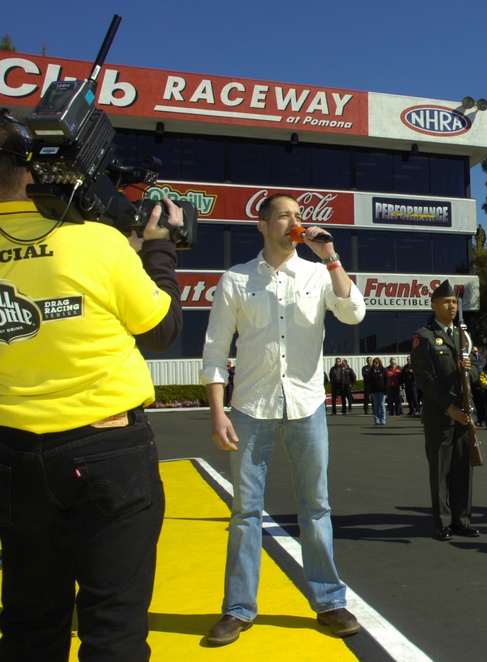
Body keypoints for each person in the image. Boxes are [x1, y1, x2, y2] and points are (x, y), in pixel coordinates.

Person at [0, 116, 184, 659]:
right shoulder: (97, 245)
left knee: (29, 625)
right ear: (35, 166)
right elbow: (163, 329)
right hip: (107, 452)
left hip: (12, 456)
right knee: (114, 629)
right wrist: (158, 249)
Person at [200, 193, 365, 646]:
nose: (295, 223)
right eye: (284, 216)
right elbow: (215, 350)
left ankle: (330, 601)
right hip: (250, 408)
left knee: (316, 506)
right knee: (245, 512)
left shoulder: (317, 273)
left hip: (307, 406)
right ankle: (237, 609)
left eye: (298, 216)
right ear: (263, 226)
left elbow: (353, 313)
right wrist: (217, 413)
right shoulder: (235, 280)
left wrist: (330, 257)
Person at [411, 280, 479, 541]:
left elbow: (474, 371)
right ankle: (444, 523)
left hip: (464, 413)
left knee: (464, 469)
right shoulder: (424, 336)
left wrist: (468, 368)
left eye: (454, 302)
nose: (452, 306)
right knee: (440, 471)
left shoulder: (462, 335)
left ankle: (463, 520)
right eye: (446, 302)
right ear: (434, 305)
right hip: (441, 415)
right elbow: (425, 379)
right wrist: (449, 407)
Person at [367, 357, 388, 425]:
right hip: (374, 391)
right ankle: (376, 420)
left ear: (379, 363)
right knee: (376, 406)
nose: (375, 364)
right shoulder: (371, 371)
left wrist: (386, 390)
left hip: (382, 390)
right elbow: (369, 381)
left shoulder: (383, 370)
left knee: (381, 405)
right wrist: (370, 391)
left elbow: (386, 380)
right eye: (374, 362)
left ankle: (383, 419)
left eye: (376, 362)